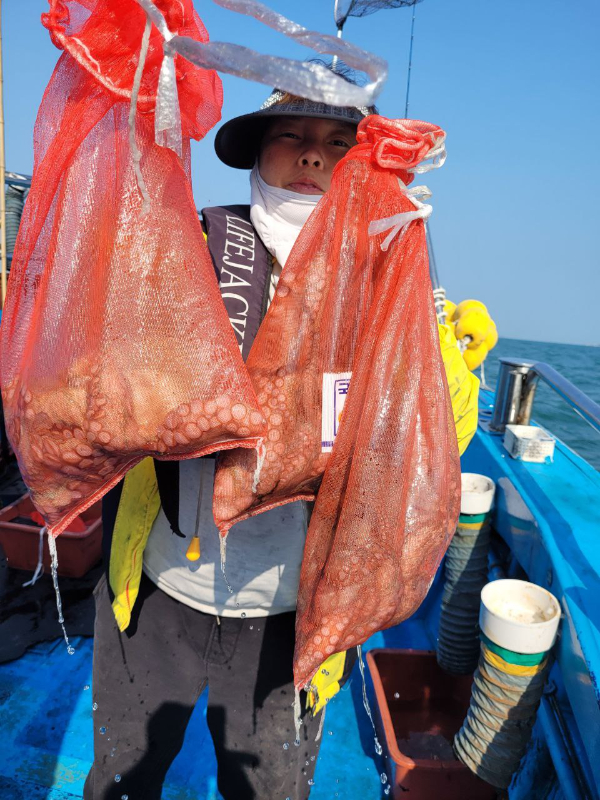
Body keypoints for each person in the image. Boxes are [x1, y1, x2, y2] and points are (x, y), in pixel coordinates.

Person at [83, 86, 479, 800]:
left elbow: (436, 438)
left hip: (289, 608)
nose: (311, 155)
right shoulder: (198, 243)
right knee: (121, 772)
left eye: (337, 145)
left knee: (270, 790)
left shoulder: (383, 276)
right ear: (256, 155)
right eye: (290, 135)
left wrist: (436, 329)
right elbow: (111, 377)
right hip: (163, 584)